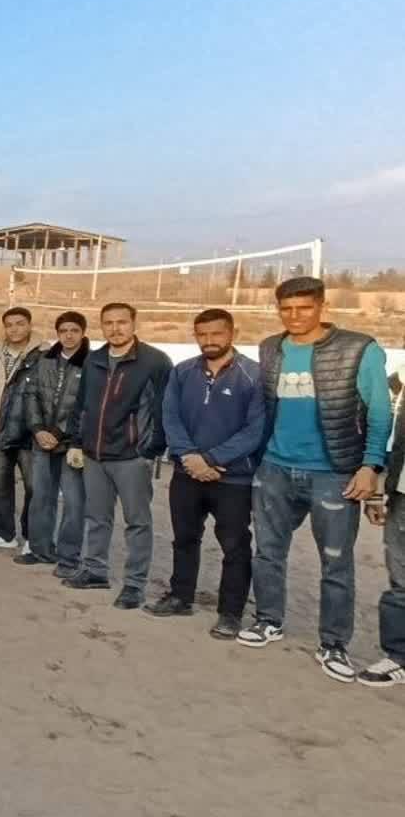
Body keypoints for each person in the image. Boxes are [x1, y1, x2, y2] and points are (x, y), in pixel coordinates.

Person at [245, 277, 391, 682]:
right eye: (286, 309)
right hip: (275, 468)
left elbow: (380, 412)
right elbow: (266, 407)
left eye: (304, 308)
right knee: (268, 551)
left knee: (336, 562)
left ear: (322, 307)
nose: (294, 316)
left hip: (334, 473)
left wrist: (370, 465)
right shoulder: (270, 347)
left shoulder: (359, 349)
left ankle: (334, 644)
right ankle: (268, 620)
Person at [159, 308, 265, 627]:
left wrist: (212, 459)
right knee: (184, 538)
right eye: (202, 334)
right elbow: (170, 417)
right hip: (186, 473)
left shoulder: (254, 374)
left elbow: (255, 429)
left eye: (217, 333)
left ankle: (230, 613)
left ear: (233, 333)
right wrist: (189, 456)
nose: (209, 340)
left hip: (233, 478)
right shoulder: (182, 371)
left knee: (235, 546)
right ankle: (181, 597)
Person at [68, 302, 172, 609]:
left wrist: (149, 450)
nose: (115, 328)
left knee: (137, 522)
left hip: (131, 457)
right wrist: (77, 441)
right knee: (97, 517)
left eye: (122, 322)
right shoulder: (94, 359)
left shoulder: (155, 361)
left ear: (134, 323)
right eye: (109, 323)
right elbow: (82, 404)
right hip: (95, 454)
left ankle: (134, 584)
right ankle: (95, 571)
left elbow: (165, 410)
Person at [17, 312, 90, 573]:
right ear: (57, 333)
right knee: (41, 497)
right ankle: (40, 549)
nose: (68, 335)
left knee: (74, 501)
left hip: (73, 444)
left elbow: (87, 406)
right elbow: (30, 395)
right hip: (41, 441)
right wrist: (38, 429)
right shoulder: (45, 360)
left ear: (83, 332)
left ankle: (69, 556)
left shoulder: (92, 363)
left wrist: (60, 433)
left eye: (74, 330)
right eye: (63, 330)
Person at [0, 307, 40, 550]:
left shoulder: (43, 355)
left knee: (34, 487)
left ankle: (32, 537)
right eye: (9, 325)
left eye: (20, 323)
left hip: (28, 434)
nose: (14, 329)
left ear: (30, 325)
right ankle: (5, 534)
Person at [359, 403, 405, 686]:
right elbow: (397, 437)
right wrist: (379, 493)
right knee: (401, 581)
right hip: (402, 494)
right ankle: (399, 657)